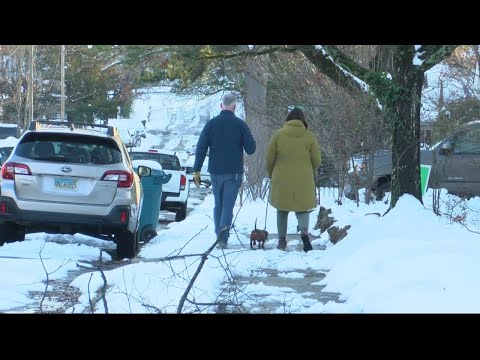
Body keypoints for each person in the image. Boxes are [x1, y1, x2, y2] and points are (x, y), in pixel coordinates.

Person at [193, 93, 256, 249]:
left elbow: (201, 147)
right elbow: (251, 149)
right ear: (234, 107)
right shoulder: (240, 125)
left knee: (218, 205)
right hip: (233, 172)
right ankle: (222, 238)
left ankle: (219, 235)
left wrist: (197, 170)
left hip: (215, 171)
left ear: (221, 105)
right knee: (227, 206)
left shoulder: (211, 124)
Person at [266, 107, 321, 252]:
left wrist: (271, 172)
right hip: (303, 179)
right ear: (303, 120)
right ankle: (304, 233)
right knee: (303, 210)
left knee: (282, 210)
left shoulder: (278, 135)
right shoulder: (309, 137)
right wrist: (310, 169)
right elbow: (317, 160)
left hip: (282, 178)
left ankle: (282, 240)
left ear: (288, 119)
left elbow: (269, 158)